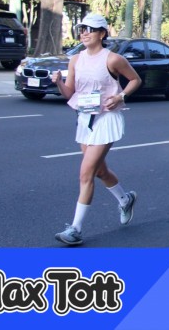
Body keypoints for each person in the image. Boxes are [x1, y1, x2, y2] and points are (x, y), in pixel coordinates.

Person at [51, 13, 142, 246]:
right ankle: (125, 199)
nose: (84, 33)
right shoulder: (75, 60)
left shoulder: (112, 59)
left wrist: (120, 96)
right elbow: (70, 93)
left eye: (90, 29)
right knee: (100, 171)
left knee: (86, 173)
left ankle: (75, 229)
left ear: (102, 33)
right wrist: (59, 82)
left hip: (106, 119)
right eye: (82, 29)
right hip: (84, 118)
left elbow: (135, 80)